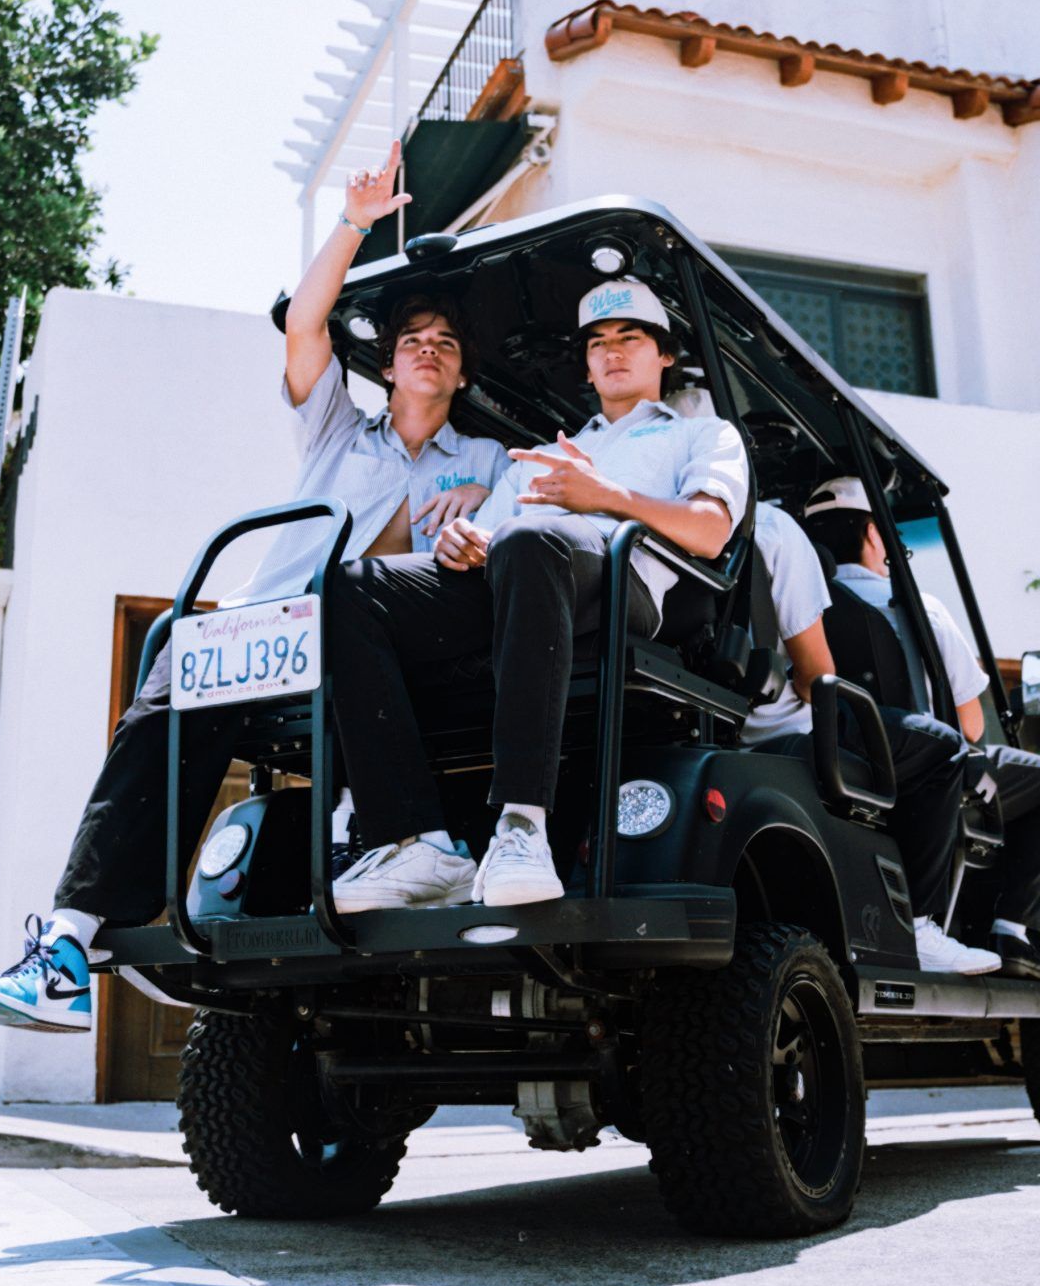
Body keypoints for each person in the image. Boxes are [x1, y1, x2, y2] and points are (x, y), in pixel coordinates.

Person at [0, 144, 510, 1033]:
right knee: (168, 681)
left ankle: (385, 836)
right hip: (271, 631)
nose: (428, 353)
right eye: (412, 342)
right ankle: (71, 941)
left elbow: (499, 542)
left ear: (462, 372)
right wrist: (354, 221)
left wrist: (480, 496)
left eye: (445, 345)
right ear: (389, 365)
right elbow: (305, 325)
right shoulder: (338, 431)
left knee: (326, 619)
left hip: (383, 644)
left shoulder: (486, 458)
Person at [325, 275, 750, 914]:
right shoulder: (546, 453)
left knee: (530, 540)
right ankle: (417, 842)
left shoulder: (702, 433)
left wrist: (605, 496)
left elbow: (711, 531)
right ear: (586, 363)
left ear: (664, 354)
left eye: (630, 338)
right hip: (520, 576)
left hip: (625, 585)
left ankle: (522, 825)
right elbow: (491, 539)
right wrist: (462, 540)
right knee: (351, 586)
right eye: (598, 342)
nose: (612, 352)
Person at [737, 491, 1000, 975]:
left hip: (730, 726)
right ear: (874, 534)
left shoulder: (717, 537)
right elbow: (970, 726)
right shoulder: (781, 538)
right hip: (795, 726)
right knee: (944, 748)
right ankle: (922, 925)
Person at [805, 476, 1040, 980]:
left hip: (833, 752)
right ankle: (1011, 929)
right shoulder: (918, 606)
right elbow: (971, 726)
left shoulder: (803, 604)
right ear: (873, 534)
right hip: (921, 763)